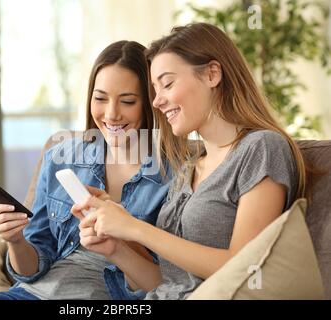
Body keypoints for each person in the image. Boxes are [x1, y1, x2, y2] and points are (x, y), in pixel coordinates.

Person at [72, 23, 307, 300]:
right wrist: (117, 246)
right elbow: (166, 283)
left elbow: (246, 267)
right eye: (155, 89)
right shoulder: (188, 170)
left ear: (212, 74)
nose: (157, 101)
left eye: (167, 84)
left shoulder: (261, 148)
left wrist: (135, 228)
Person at [0, 40, 170, 300]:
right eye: (100, 98)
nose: (111, 114)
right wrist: (16, 241)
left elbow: (165, 284)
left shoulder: (172, 178)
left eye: (127, 101)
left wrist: (120, 235)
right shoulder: (63, 158)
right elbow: (31, 269)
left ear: (152, 103)